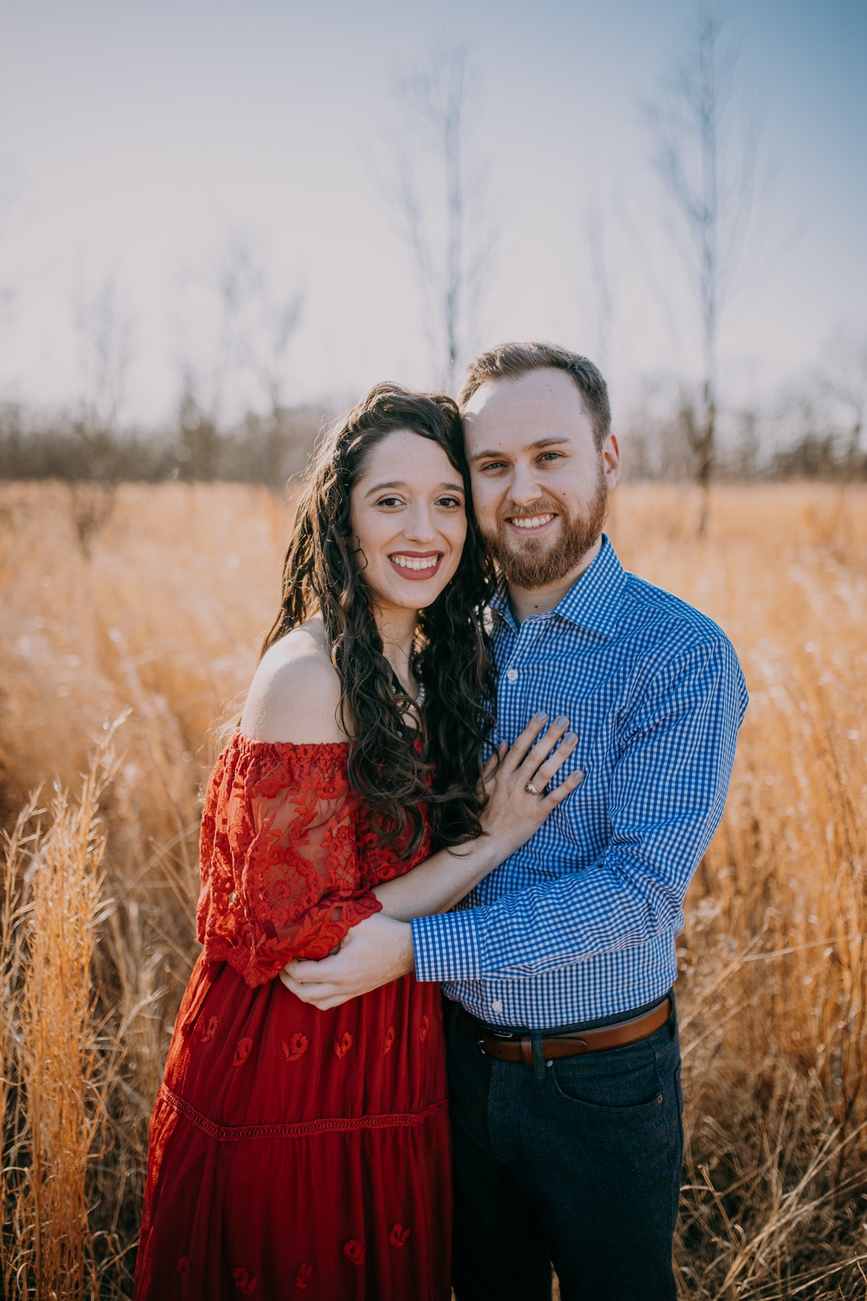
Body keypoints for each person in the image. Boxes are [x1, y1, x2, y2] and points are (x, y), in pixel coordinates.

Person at [283, 344, 749, 1301]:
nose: (520, 490)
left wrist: (415, 948)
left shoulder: (679, 656)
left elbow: (635, 895)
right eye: (491, 466)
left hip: (599, 1080)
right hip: (446, 1070)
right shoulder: (451, 635)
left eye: (550, 455)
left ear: (606, 457)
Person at [133, 381, 584, 1301]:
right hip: (291, 1060)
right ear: (342, 519)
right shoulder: (306, 678)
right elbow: (308, 935)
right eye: (391, 500)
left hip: (391, 1046)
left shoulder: (427, 655)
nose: (424, 529)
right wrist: (488, 842)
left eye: (447, 500)